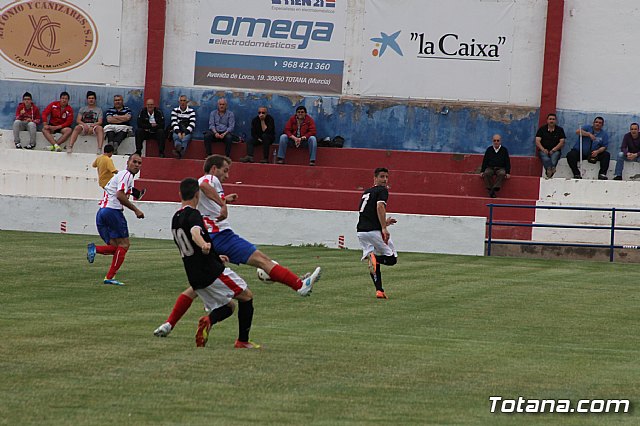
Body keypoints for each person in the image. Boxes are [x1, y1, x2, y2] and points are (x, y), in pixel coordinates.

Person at [153, 154, 321, 337]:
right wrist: (222, 204)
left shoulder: (190, 204)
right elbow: (203, 185)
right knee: (262, 260)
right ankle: (299, 285)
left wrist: (224, 199)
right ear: (214, 169)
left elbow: (203, 195)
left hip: (211, 239)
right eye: (225, 171)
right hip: (221, 235)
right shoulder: (209, 178)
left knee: (198, 286)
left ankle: (168, 324)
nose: (227, 176)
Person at [172, 177, 260, 348]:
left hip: (194, 275)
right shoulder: (194, 214)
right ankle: (242, 341)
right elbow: (195, 233)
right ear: (197, 195)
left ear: (180, 194)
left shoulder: (176, 217)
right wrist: (204, 244)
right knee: (247, 297)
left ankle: (208, 321)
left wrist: (214, 255)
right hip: (211, 272)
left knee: (229, 306)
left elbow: (188, 243)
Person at [87, 153, 145, 286]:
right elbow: (119, 195)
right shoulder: (127, 175)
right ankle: (109, 277)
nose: (136, 165)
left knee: (115, 247)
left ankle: (95, 249)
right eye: (134, 162)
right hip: (113, 211)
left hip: (102, 212)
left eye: (139, 163)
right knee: (124, 245)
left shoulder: (122, 175)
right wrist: (136, 210)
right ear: (128, 162)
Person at [357, 167, 398, 299]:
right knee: (392, 259)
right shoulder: (382, 191)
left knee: (374, 261)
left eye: (386, 177)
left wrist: (385, 222)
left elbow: (369, 215)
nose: (385, 180)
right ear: (375, 178)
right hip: (373, 232)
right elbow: (380, 206)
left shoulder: (367, 192)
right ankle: (374, 259)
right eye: (382, 177)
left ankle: (379, 290)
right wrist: (384, 228)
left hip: (362, 232)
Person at [535, 113, 566, 178]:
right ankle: (551, 168)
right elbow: (537, 141)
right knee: (545, 157)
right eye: (550, 119)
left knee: (554, 157)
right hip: (543, 150)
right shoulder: (542, 129)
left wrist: (554, 150)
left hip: (555, 150)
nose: (551, 121)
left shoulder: (560, 130)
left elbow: (562, 142)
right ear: (547, 120)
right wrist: (543, 149)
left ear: (556, 121)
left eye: (553, 119)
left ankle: (549, 170)